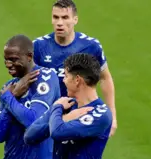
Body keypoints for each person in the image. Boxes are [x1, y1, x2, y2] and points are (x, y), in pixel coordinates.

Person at [34, 0, 117, 136]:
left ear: (75, 20)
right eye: (56, 17)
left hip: (79, 118)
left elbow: (105, 78)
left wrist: (113, 116)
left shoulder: (91, 46)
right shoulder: (38, 47)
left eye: (65, 17)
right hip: (48, 118)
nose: (59, 23)